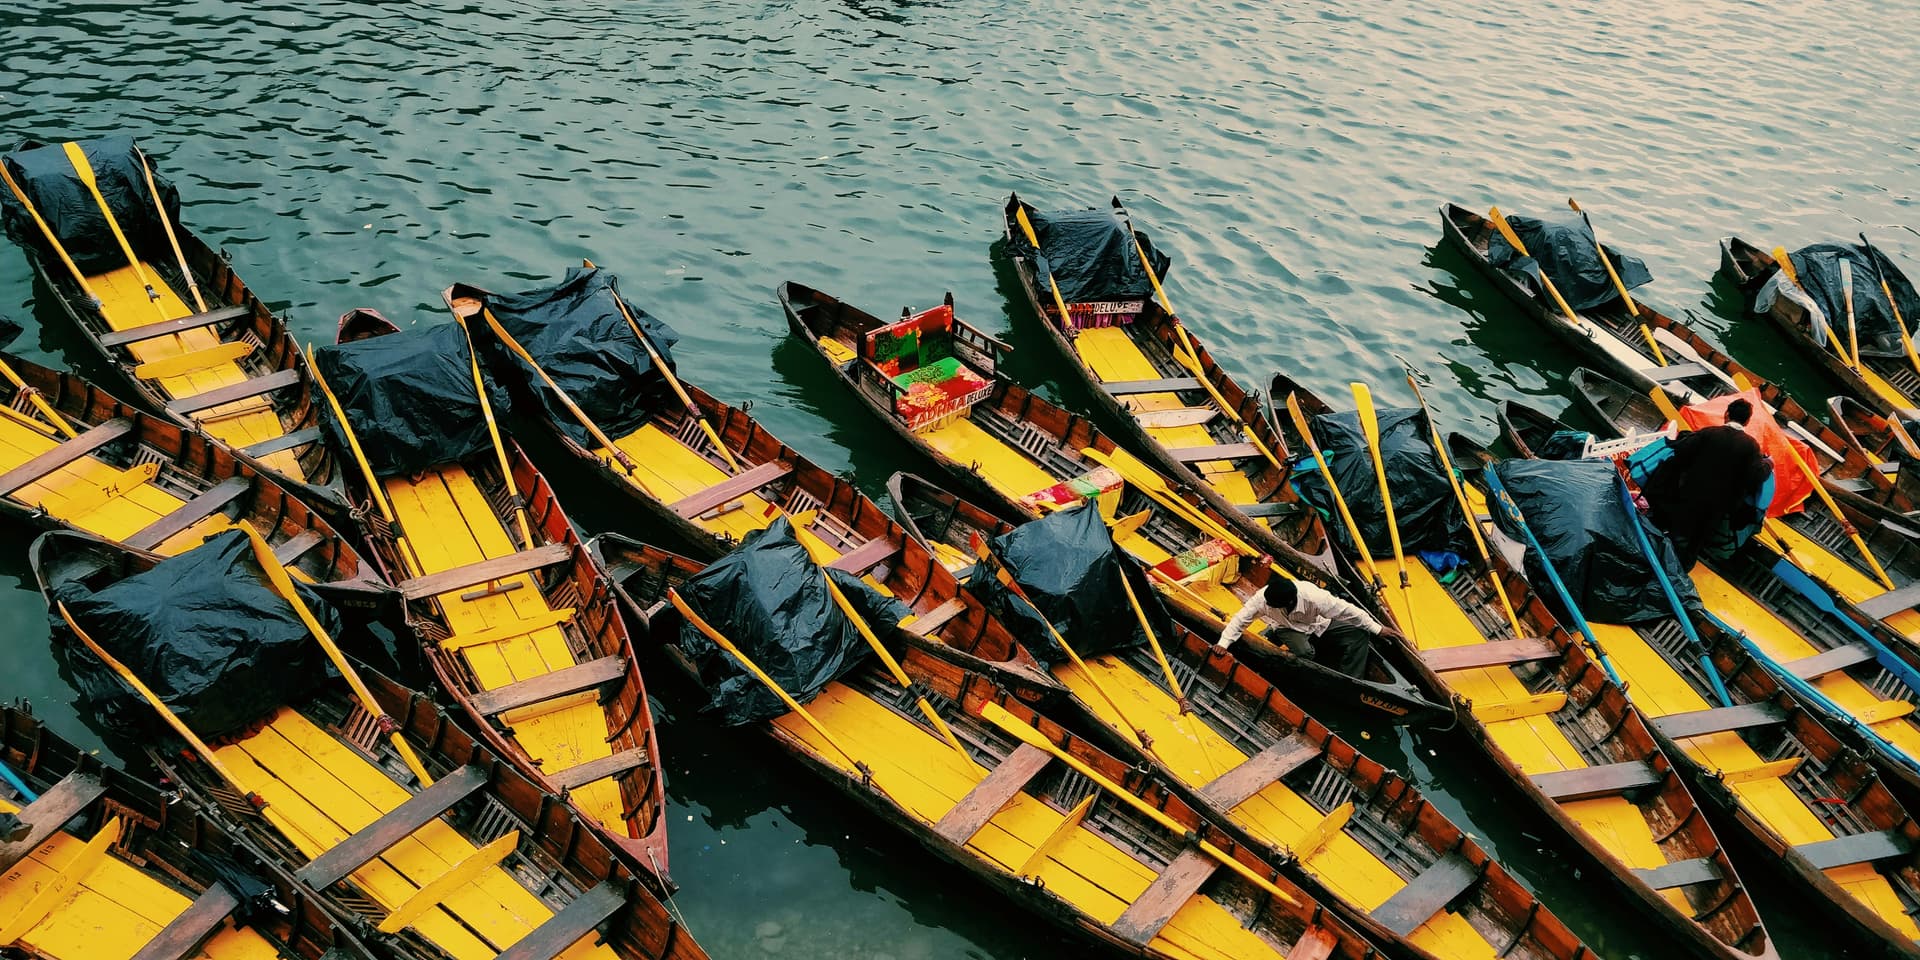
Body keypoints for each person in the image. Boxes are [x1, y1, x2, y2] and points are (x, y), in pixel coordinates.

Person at [1640, 397, 1772, 567]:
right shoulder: (1751, 446)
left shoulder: (1708, 433)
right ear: (1747, 421)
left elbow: (1681, 451)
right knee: (1695, 542)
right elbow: (1755, 476)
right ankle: (1679, 571)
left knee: (1676, 532)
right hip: (1718, 506)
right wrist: (1769, 464)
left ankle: (1656, 563)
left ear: (1726, 414)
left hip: (1689, 494)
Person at [1213, 577, 1395, 676]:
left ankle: (1350, 679)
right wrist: (1223, 643)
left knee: (1359, 635)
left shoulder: (1316, 597)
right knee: (1306, 653)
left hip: (1318, 623)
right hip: (1287, 627)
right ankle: (1280, 638)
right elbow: (1240, 619)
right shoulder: (1262, 600)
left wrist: (1377, 629)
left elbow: (1348, 611)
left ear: (1290, 601)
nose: (1267, 608)